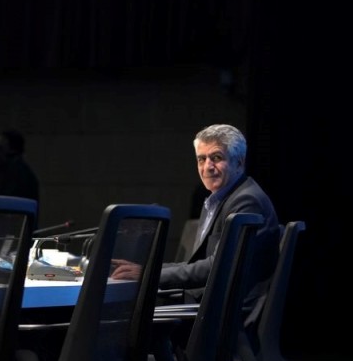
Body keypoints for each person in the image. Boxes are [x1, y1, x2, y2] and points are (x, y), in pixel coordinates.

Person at [112, 124, 280, 307]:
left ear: (239, 162)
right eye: (201, 159)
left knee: (127, 310)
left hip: (227, 311)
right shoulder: (220, 199)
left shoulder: (246, 201)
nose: (207, 167)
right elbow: (198, 264)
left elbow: (217, 266)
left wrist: (149, 275)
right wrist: (147, 269)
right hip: (210, 301)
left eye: (216, 158)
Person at [0, 129, 40, 211]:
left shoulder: (15, 172)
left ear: (12, 150)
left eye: (0, 148)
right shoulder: (23, 171)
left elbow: (6, 203)